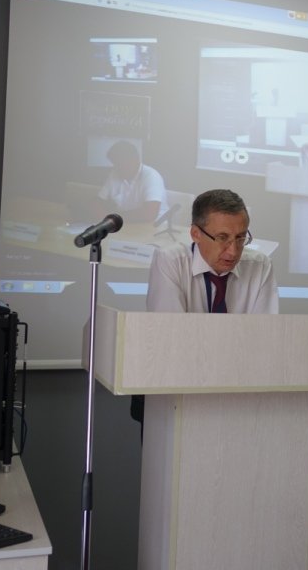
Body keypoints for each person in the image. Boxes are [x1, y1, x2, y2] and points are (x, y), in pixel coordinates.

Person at [131, 189, 279, 425]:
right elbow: (172, 338)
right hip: (176, 393)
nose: (233, 250)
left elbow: (264, 338)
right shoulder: (170, 261)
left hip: (239, 395)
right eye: (222, 238)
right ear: (195, 234)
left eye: (241, 238)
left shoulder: (260, 266)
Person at [97, 139, 168, 224]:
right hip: (126, 224)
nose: (117, 168)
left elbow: (149, 214)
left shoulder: (151, 176)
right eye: (115, 164)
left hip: (153, 226)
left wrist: (115, 218)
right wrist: (100, 213)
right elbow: (98, 201)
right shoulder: (115, 173)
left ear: (135, 160)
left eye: (121, 163)